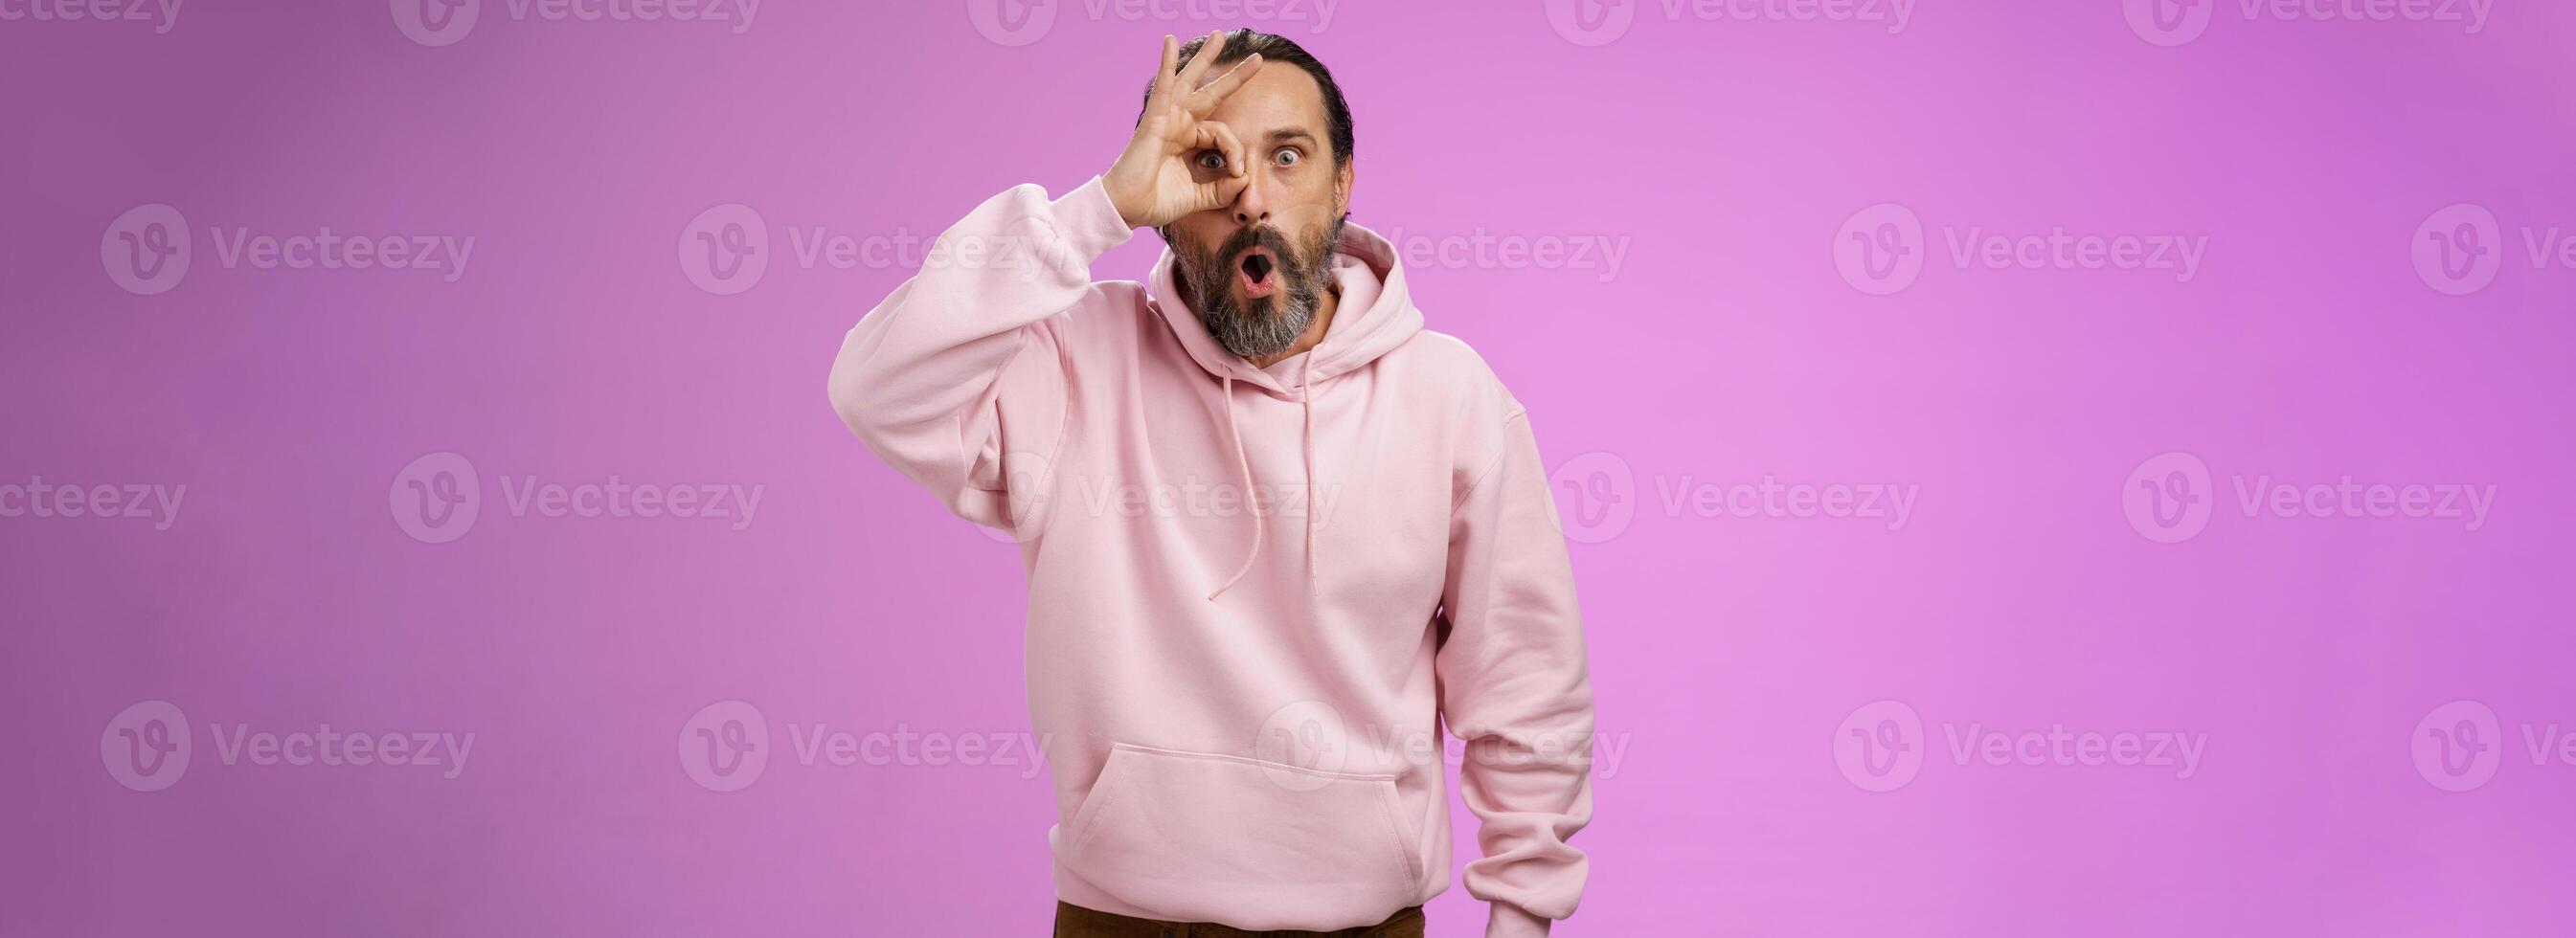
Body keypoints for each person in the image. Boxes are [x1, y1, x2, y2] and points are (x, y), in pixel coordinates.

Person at [827, 29, 1594, 938]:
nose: (1251, 199)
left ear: (1343, 184)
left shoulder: (1451, 397)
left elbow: (1527, 687)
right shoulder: (1075, 361)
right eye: (1210, 162)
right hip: (1120, 920)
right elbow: (876, 385)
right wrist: (1100, 207)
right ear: (1165, 199)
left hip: (1363, 924)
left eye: (1288, 157)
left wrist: (1521, 917)